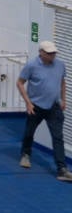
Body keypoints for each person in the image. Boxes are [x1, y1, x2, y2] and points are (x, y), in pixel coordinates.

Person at [17, 40, 72, 182]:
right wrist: (28, 103)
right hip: (35, 106)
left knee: (58, 137)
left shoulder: (60, 65)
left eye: (53, 52)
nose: (52, 55)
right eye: (49, 53)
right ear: (41, 53)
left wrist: (63, 99)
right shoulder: (31, 66)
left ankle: (62, 169)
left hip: (54, 106)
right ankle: (25, 155)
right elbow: (20, 83)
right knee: (29, 132)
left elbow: (62, 82)